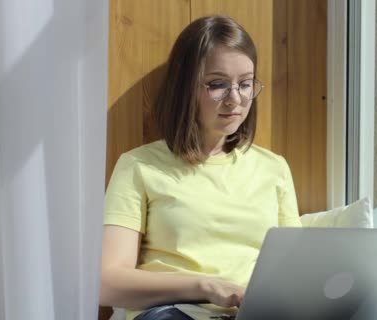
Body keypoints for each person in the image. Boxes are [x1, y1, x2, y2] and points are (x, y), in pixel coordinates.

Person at [99, 15, 302, 320]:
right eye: (217, 84)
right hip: (173, 312)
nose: (235, 99)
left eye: (245, 84)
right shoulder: (139, 166)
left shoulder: (274, 169)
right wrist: (206, 287)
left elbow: (295, 267)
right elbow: (107, 282)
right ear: (186, 87)